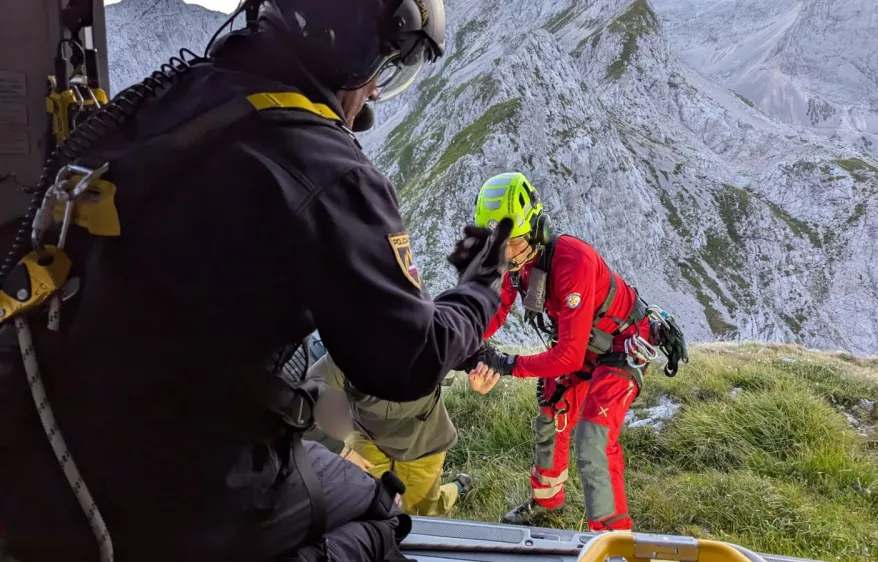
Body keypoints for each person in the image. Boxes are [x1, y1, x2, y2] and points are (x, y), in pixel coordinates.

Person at [0, 0, 514, 561]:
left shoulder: (168, 99)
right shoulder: (324, 165)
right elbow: (406, 359)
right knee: (377, 509)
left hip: (40, 459)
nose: (370, 96)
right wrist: (479, 289)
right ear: (354, 52)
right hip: (173, 491)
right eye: (379, 69)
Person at [464, 172, 688, 533]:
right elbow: (497, 308)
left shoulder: (573, 262)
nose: (506, 253)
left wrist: (506, 364)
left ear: (537, 230)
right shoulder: (519, 261)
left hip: (622, 344)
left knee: (593, 439)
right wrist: (462, 340)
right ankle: (546, 502)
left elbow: (567, 357)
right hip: (585, 342)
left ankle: (614, 541)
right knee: (551, 412)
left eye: (514, 243)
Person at [305, 337, 495, 517]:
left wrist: (482, 370)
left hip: (423, 440)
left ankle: (458, 486)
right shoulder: (344, 354)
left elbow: (477, 348)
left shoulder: (431, 334)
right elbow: (297, 404)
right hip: (366, 436)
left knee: (422, 510)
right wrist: (341, 450)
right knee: (364, 505)